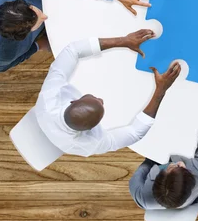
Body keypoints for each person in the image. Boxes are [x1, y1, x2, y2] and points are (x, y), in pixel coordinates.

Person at [35, 30, 180, 157]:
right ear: (91, 130)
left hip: (44, 119)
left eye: (95, 98)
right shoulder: (87, 143)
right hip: (49, 129)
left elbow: (72, 50)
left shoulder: (50, 97)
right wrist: (161, 90)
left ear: (73, 101)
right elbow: (135, 133)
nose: (101, 98)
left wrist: (124, 40)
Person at [0, 0, 152, 73]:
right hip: (42, 38)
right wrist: (39, 46)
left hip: (53, 10)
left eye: (36, 11)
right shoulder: (2, 52)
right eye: (37, 22)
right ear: (27, 33)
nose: (44, 16)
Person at [129, 58, 198, 209]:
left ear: (157, 179)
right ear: (191, 177)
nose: (180, 163)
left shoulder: (140, 195)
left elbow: (146, 164)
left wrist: (157, 157)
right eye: (183, 167)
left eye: (172, 168)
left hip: (178, 192)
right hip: (191, 197)